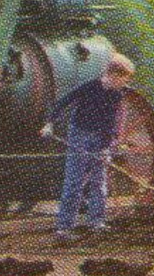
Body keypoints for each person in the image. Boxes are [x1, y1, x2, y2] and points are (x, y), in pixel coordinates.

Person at [40, 54, 135, 242]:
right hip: (79, 135)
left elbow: (110, 122)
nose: (125, 83)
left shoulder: (117, 94)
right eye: (124, 79)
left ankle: (97, 222)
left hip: (100, 139)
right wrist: (49, 123)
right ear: (113, 75)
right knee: (74, 181)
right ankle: (64, 227)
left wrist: (106, 148)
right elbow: (63, 102)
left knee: (99, 182)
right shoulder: (90, 87)